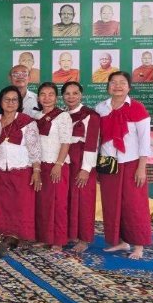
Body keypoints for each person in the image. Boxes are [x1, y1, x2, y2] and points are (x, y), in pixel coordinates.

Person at [96, 72, 153, 260]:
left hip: (131, 164)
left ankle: (138, 245)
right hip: (109, 164)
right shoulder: (101, 108)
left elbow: (144, 140)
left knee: (134, 205)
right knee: (112, 204)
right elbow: (97, 139)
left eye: (122, 83)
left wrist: (142, 167)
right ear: (108, 86)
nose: (117, 86)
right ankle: (121, 241)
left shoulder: (137, 108)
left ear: (129, 87)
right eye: (113, 82)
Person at [0, 85, 42, 242]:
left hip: (21, 169)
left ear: (19, 103)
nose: (10, 103)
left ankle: (23, 237)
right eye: (7, 99)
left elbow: (34, 147)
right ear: (0, 101)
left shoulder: (26, 121)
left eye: (14, 100)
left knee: (22, 204)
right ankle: (4, 234)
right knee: (3, 204)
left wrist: (36, 170)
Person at [62, 81, 100, 253]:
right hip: (67, 161)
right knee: (68, 198)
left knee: (84, 200)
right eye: (67, 93)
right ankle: (71, 234)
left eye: (75, 93)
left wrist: (86, 169)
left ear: (81, 95)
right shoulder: (63, 115)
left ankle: (84, 238)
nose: (71, 97)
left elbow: (92, 143)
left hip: (83, 162)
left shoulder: (90, 115)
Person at [34, 83, 72, 250]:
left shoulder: (63, 116)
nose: (47, 98)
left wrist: (58, 164)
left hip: (57, 165)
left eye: (50, 94)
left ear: (56, 98)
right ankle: (45, 237)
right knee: (43, 203)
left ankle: (58, 240)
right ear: (38, 97)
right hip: (40, 164)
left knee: (58, 203)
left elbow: (66, 142)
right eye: (43, 94)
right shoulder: (36, 116)